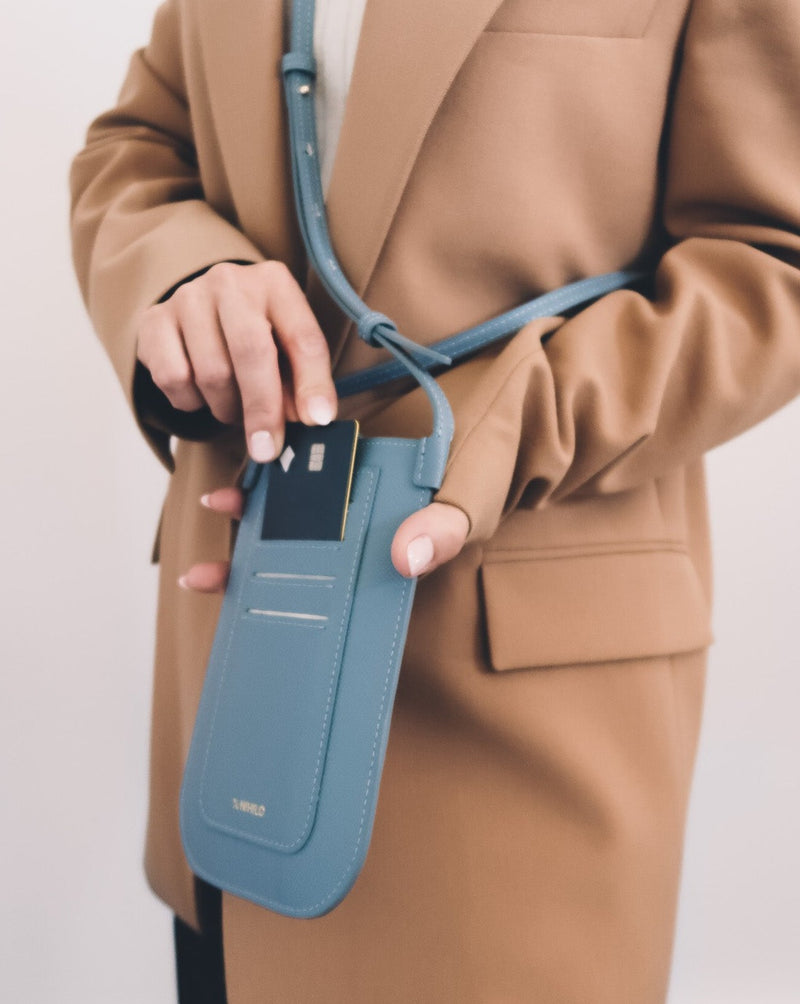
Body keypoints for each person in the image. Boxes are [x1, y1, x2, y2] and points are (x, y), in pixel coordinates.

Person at [69, 0, 800, 1001]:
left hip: (507, 742)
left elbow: (773, 250)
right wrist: (186, 274)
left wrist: (515, 425)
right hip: (239, 679)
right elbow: (140, 142)